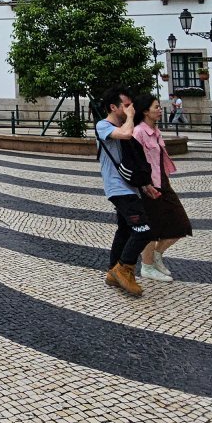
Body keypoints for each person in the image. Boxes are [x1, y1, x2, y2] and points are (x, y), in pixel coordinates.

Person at [94, 88, 152, 298]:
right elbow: (126, 134)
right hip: (117, 188)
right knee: (144, 230)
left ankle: (113, 270)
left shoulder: (124, 125)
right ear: (113, 107)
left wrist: (145, 185)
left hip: (130, 188)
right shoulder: (103, 126)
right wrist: (129, 118)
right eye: (126, 105)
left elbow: (132, 159)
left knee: (125, 230)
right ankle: (124, 268)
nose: (131, 109)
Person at [132, 93, 192, 281]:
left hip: (162, 182)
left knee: (181, 224)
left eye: (159, 107)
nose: (159, 110)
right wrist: (144, 185)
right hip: (148, 186)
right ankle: (147, 266)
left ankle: (157, 255)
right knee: (153, 227)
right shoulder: (139, 132)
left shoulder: (156, 131)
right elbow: (135, 161)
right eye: (156, 107)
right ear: (145, 111)